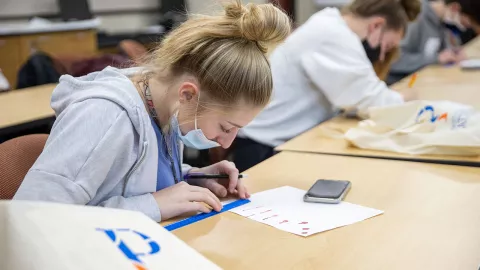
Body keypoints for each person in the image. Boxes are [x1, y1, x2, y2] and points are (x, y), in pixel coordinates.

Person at [13, 0, 291, 222]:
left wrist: (193, 175)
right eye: (226, 127)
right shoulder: (104, 116)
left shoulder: (163, 105)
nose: (227, 142)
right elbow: (34, 218)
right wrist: (152, 205)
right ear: (187, 94)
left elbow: (127, 175)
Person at [231, 0, 421, 172]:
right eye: (386, 46)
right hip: (264, 148)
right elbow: (372, 100)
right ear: (376, 25)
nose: (381, 56)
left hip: (280, 140)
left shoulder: (331, 24)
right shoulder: (334, 35)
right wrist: (404, 98)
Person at [387, 0, 471, 84]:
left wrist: (454, 52)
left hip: (423, 78)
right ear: (454, 8)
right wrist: (436, 59)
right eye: (463, 22)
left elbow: (440, 51)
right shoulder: (416, 18)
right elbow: (394, 60)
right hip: (402, 83)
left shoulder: (440, 21)